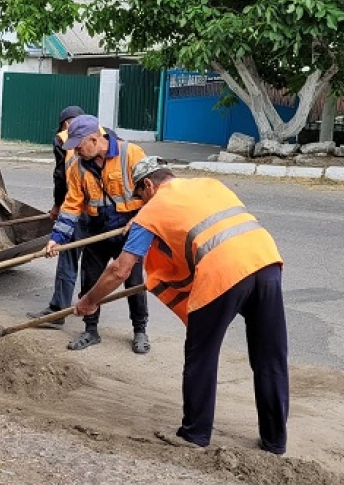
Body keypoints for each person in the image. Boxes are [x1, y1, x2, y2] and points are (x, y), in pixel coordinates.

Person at [72, 156, 289, 454]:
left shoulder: (152, 211)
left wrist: (89, 301)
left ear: (149, 185)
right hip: (265, 262)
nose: (139, 204)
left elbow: (120, 270)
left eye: (139, 196)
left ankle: (195, 434)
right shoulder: (208, 183)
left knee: (201, 355)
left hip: (223, 273)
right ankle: (275, 441)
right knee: (270, 357)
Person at [38, 115, 150, 353]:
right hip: (97, 229)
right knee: (90, 281)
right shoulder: (77, 167)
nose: (76, 152)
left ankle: (140, 330)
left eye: (79, 146)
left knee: (132, 281)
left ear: (94, 139)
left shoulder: (131, 154)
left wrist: (140, 220)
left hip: (130, 231)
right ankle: (90, 330)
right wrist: (56, 239)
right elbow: (71, 206)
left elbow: (153, 194)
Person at [26, 105, 88, 329]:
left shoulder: (62, 139)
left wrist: (56, 206)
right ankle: (91, 316)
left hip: (77, 208)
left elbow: (61, 177)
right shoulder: (104, 134)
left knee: (68, 257)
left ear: (65, 124)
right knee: (93, 263)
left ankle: (58, 311)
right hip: (105, 214)